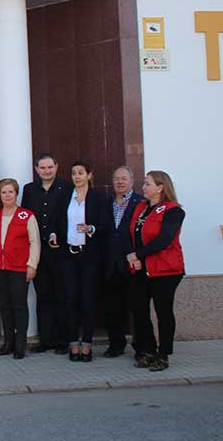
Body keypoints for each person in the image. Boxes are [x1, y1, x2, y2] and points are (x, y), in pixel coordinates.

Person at [126, 170, 186, 372]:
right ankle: (148, 350)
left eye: (147, 184)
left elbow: (164, 239)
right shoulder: (140, 208)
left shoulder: (173, 210)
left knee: (163, 312)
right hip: (141, 269)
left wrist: (139, 255)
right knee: (139, 310)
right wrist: (132, 256)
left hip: (166, 270)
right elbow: (131, 233)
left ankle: (164, 354)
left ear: (160, 187)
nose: (143, 187)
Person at [52, 161, 111, 362]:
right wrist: (54, 235)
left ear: (89, 175)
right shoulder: (65, 197)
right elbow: (57, 222)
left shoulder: (97, 199)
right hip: (69, 254)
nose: (77, 176)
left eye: (80, 173)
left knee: (88, 300)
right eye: (74, 173)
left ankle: (87, 343)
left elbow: (105, 226)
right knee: (70, 299)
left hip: (89, 256)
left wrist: (91, 229)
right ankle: (73, 343)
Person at [0, 178, 40, 359]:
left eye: (10, 192)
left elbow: (34, 242)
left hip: (19, 268)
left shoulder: (26, 216)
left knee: (19, 306)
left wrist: (32, 265)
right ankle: (8, 342)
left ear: (16, 194)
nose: (7, 195)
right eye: (3, 192)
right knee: (5, 306)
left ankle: (20, 344)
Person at [21, 153, 72, 354]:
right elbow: (25, 217)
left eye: (50, 167)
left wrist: (58, 235)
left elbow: (70, 216)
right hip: (37, 250)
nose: (46, 171)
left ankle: (62, 341)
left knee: (61, 295)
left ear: (56, 167)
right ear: (36, 169)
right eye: (42, 168)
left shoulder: (67, 188)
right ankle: (46, 339)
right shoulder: (29, 190)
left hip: (58, 250)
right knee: (43, 296)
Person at [101, 166, 143, 358]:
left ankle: (140, 347)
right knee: (112, 307)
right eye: (116, 178)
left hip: (132, 263)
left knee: (136, 308)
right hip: (110, 264)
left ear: (132, 181)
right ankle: (115, 345)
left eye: (123, 179)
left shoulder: (141, 203)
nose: (119, 182)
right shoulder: (106, 202)